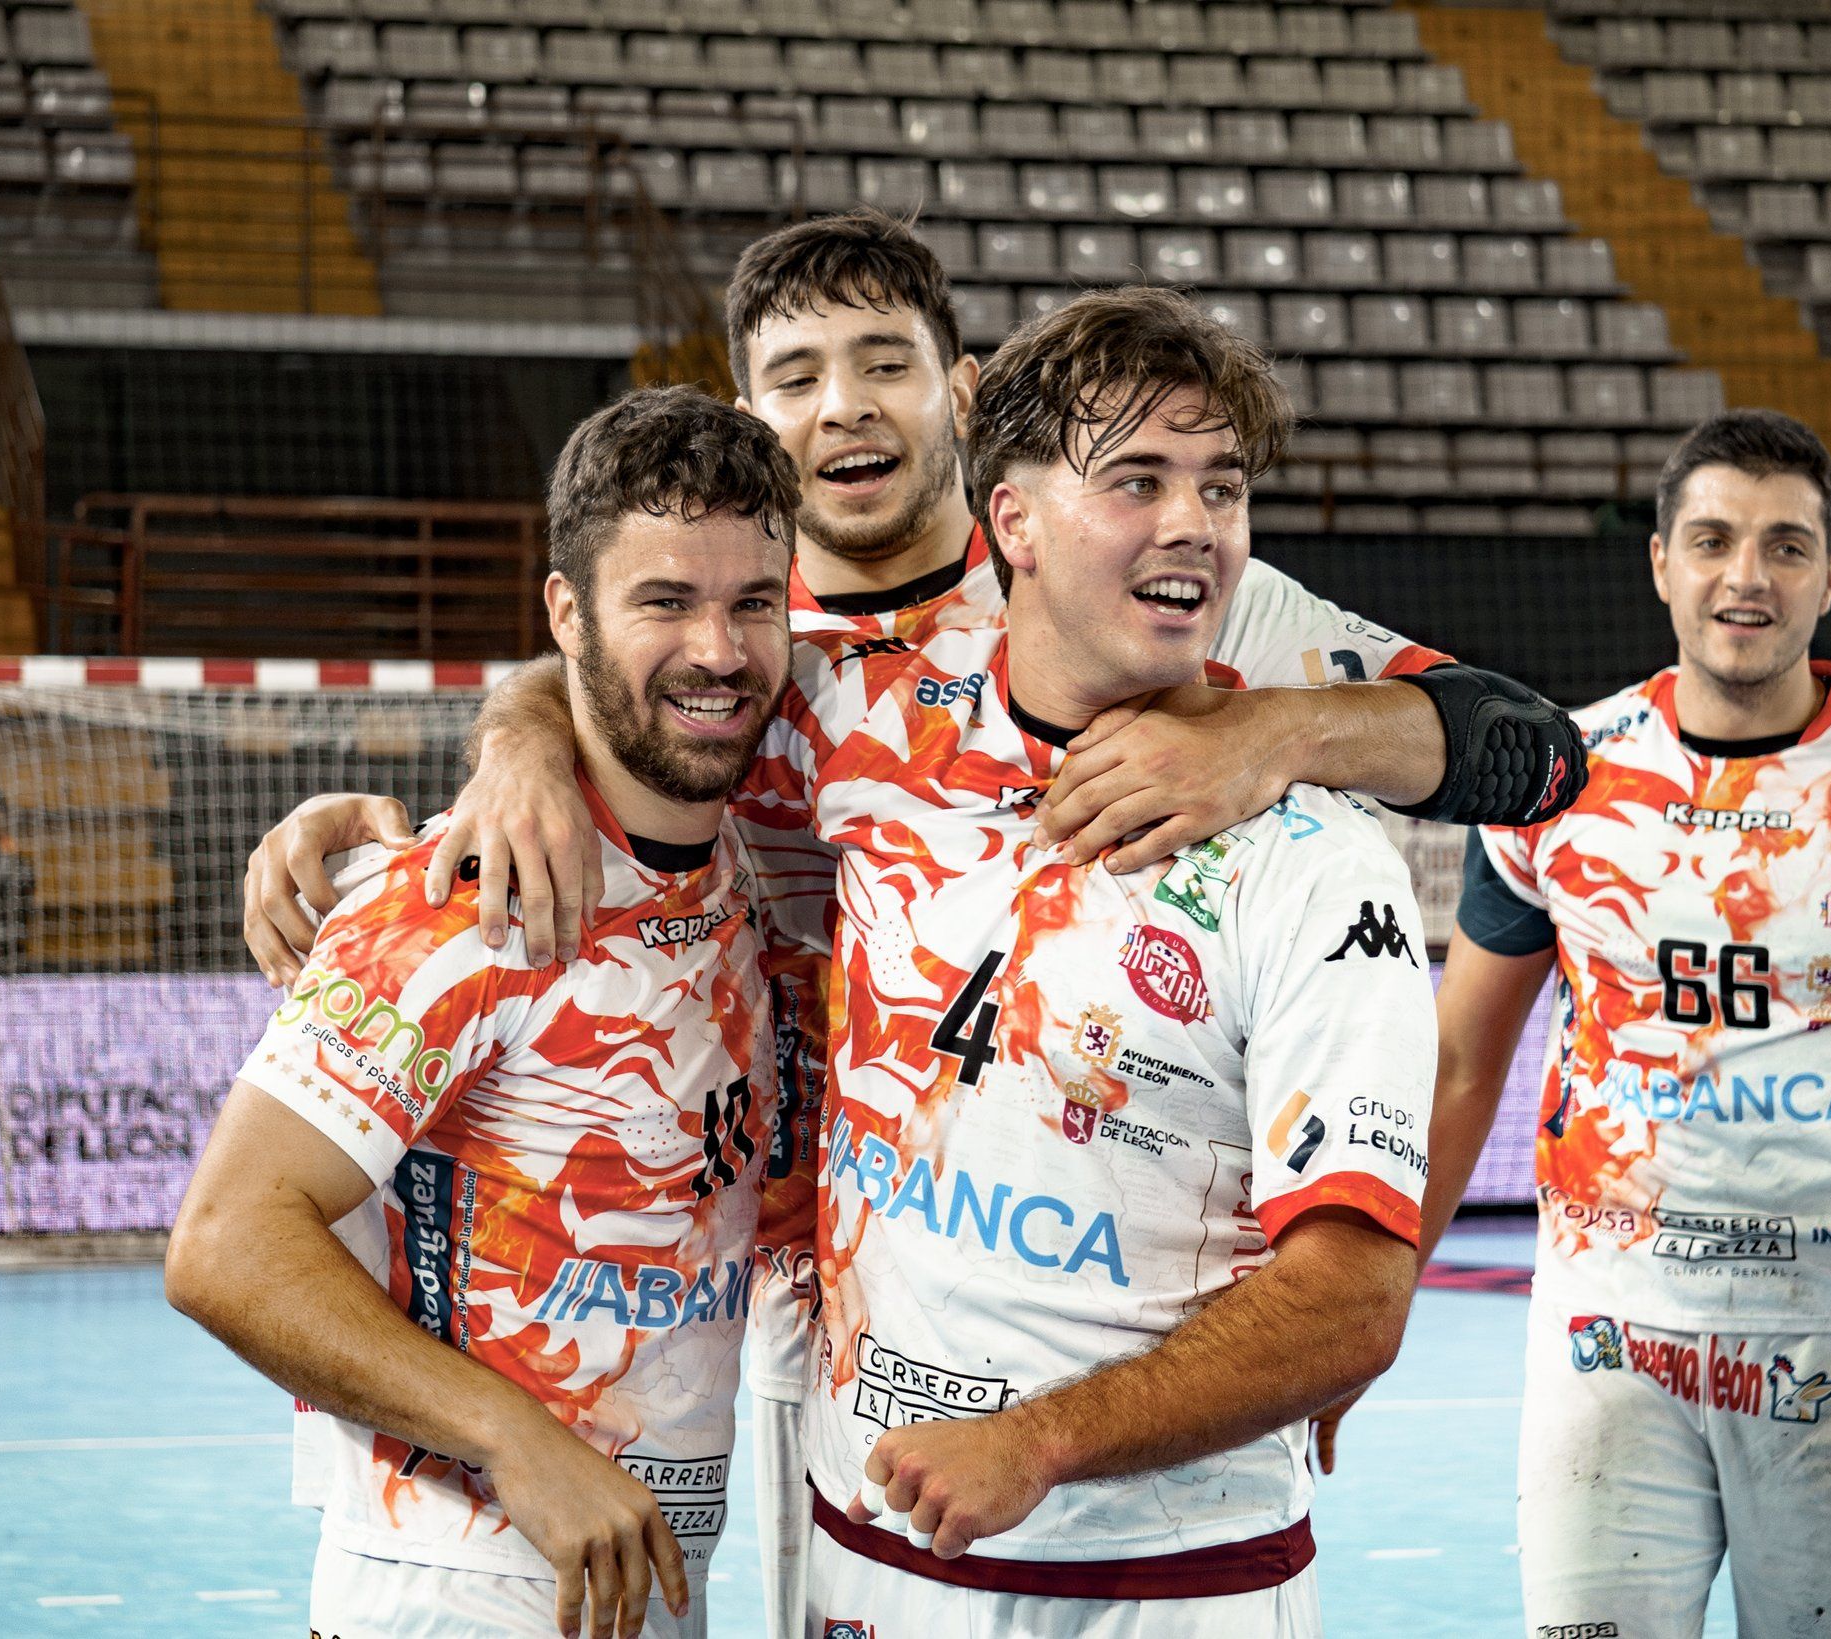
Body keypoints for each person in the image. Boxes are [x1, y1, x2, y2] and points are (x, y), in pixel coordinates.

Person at [239, 211, 1587, 1636]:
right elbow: (596, 687)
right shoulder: (767, 647)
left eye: (883, 362)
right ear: (754, 420)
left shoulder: (1156, 586)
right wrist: (505, 743)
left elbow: (1545, 754)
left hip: (1107, 1285)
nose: (843, 405)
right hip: (794, 1259)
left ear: (959, 391)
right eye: (796, 376)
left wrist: (1274, 734)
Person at [790, 285, 1435, 1633]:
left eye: (1222, 484)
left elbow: (1354, 1299)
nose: (1193, 522)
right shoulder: (865, 731)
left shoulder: (1319, 864)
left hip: (1167, 1586)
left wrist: (1042, 1440)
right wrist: (499, 751)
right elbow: (640, 717)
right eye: (1138, 477)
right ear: (1011, 520)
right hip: (867, 1554)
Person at [165, 387, 801, 1639]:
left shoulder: (745, 874)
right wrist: (515, 1442)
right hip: (454, 1585)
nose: (718, 650)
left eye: (752, 603)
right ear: (566, 611)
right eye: (664, 602)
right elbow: (225, 1243)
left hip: (652, 1579)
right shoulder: (459, 899)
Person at [1421, 409, 1831, 1639]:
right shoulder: (1552, 777)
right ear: (1660, 561)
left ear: (1830, 574)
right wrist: (1371, 1297)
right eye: (1714, 539)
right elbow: (1464, 1060)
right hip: (1606, 1337)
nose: (1746, 577)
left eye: (1786, 547)